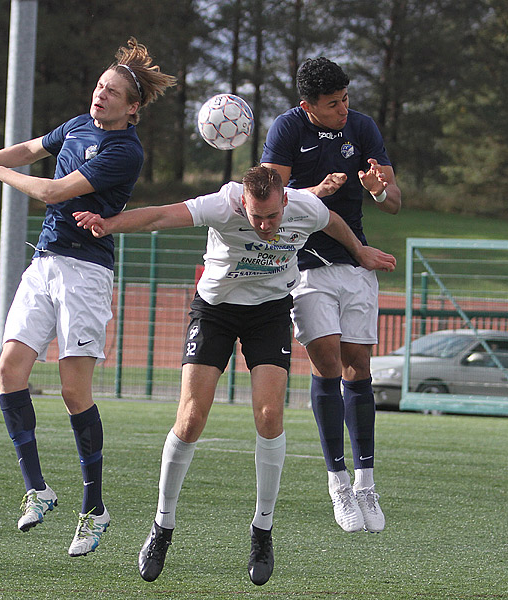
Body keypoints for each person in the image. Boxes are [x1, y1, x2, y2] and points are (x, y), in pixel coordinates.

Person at [74, 165, 396, 585]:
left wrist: (359, 251)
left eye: (271, 217)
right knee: (190, 420)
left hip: (270, 313)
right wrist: (108, 223)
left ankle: (262, 532)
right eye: (255, 216)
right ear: (243, 202)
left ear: (285, 201)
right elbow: (159, 216)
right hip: (215, 312)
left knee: (269, 416)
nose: (263, 225)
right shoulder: (221, 204)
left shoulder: (306, 207)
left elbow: (333, 221)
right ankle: (162, 527)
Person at [0, 38, 175, 556]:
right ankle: (38, 490)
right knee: (8, 372)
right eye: (100, 86)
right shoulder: (77, 124)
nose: (100, 96)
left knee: (72, 391)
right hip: (43, 262)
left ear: (133, 108)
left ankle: (94, 509)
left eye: (113, 93)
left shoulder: (124, 150)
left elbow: (53, 192)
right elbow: (25, 151)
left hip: (85, 272)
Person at [261, 57, 402, 534]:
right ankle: (337, 480)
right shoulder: (285, 129)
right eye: (332, 104)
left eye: (346, 99)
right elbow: (265, 200)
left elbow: (395, 199)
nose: (344, 109)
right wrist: (315, 191)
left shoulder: (361, 127)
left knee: (358, 366)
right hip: (304, 264)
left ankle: (366, 482)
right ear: (308, 106)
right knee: (326, 359)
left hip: (355, 261)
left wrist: (379, 191)